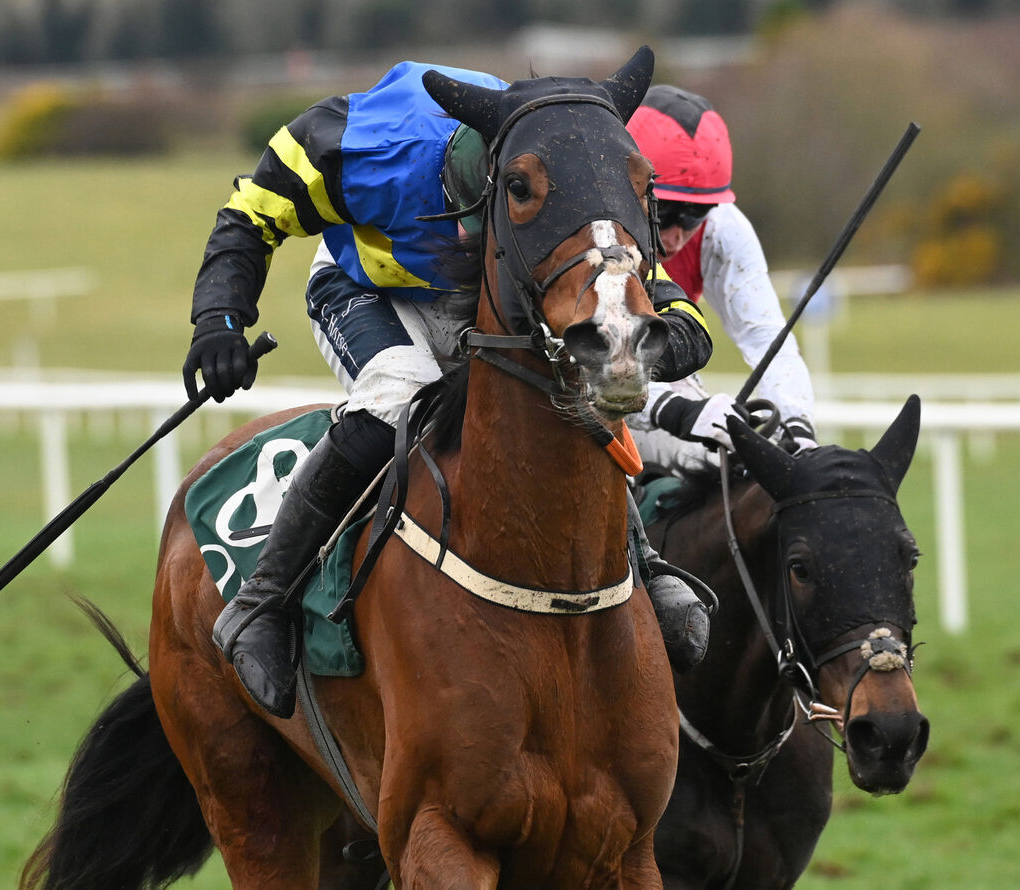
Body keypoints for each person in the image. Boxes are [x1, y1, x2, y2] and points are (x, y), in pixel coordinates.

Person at [182, 55, 715, 718]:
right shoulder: (361, 147)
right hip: (367, 288)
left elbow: (614, 261)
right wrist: (220, 319)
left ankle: (643, 565)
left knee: (572, 375)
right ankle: (262, 601)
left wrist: (674, 322)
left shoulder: (561, 157)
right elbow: (248, 216)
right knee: (398, 391)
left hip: (487, 282)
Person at [623, 86, 817, 472]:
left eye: (695, 216)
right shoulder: (592, 230)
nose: (677, 236)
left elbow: (766, 337)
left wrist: (798, 427)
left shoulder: (723, 227)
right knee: (696, 453)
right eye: (668, 210)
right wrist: (676, 410)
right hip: (568, 389)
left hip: (657, 376)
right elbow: (584, 365)